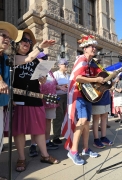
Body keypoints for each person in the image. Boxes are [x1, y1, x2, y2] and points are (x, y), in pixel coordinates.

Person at [12, 28, 59, 172]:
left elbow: (39, 80)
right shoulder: (12, 57)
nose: (27, 43)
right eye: (24, 40)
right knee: (19, 131)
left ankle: (44, 155)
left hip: (36, 99)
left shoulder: (34, 62)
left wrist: (42, 79)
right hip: (19, 100)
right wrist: (41, 47)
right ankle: (21, 158)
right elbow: (27, 58)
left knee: (38, 130)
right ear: (17, 42)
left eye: (29, 41)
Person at [61, 34, 103, 165]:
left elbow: (103, 74)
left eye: (95, 46)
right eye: (92, 46)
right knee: (83, 120)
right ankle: (73, 151)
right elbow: (78, 78)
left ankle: (85, 148)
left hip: (88, 94)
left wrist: (119, 71)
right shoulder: (82, 60)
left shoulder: (92, 62)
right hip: (78, 94)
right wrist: (96, 79)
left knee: (86, 123)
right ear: (85, 48)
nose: (94, 48)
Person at [0, 21, 18, 180]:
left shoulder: (5, 57)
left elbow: (24, 60)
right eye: (3, 35)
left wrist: (39, 48)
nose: (6, 39)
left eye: (9, 38)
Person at [38, 52, 59, 150]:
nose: (45, 59)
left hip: (51, 100)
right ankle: (36, 144)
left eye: (46, 57)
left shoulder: (49, 71)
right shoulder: (36, 70)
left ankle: (47, 141)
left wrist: (61, 87)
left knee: (48, 121)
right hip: (40, 100)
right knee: (39, 122)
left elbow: (54, 83)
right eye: (43, 58)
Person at [53, 57, 70, 144]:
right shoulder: (55, 74)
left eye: (67, 64)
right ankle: (56, 136)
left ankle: (66, 133)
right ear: (59, 65)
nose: (66, 65)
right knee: (58, 117)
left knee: (66, 116)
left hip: (67, 97)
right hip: (58, 97)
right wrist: (62, 86)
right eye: (64, 64)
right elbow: (52, 85)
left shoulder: (68, 75)